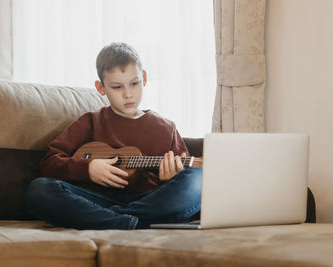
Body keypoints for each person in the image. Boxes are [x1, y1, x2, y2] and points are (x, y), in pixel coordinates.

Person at [25, 42, 202, 230]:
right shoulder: (91, 122)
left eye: (134, 83)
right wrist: (89, 169)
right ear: (101, 88)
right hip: (95, 200)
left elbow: (183, 180)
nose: (128, 94)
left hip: (148, 200)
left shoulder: (166, 128)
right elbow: (49, 163)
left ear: (144, 77)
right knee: (39, 189)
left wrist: (169, 180)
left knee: (198, 178)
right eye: (117, 87)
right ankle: (132, 223)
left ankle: (115, 220)